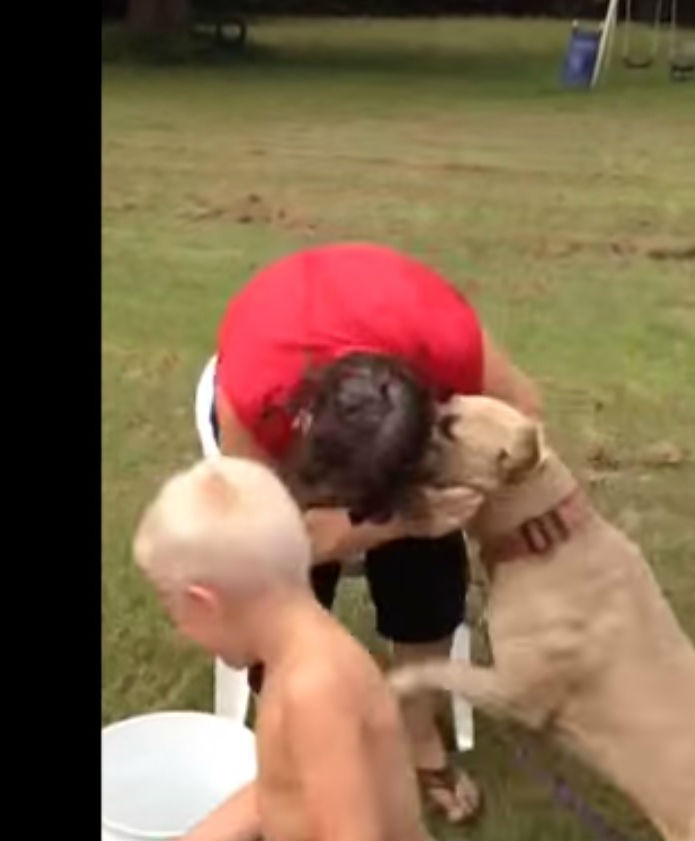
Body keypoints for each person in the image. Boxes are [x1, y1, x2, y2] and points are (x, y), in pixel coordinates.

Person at [210, 241, 543, 823]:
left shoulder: (447, 342)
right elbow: (261, 546)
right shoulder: (254, 399)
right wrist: (388, 525)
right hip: (275, 432)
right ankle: (294, 744)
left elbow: (524, 419)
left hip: (391, 353)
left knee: (431, 577)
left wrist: (477, 515)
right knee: (281, 594)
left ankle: (416, 734)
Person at [133, 457, 429, 841]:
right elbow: (279, 785)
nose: (181, 632)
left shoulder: (316, 688)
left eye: (174, 611)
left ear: (205, 603)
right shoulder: (295, 657)